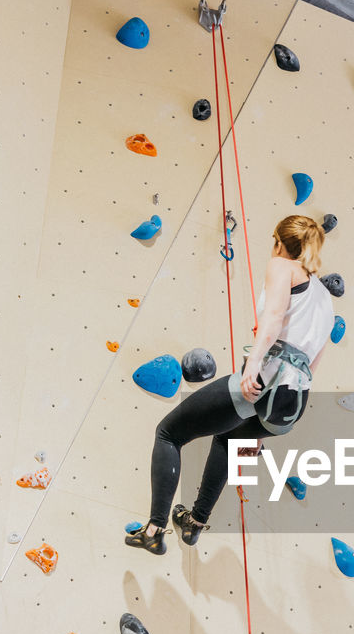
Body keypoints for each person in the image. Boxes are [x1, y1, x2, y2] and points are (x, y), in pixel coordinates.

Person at [126, 214, 334, 554]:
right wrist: (258, 425)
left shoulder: (283, 266)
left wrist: (253, 365)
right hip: (292, 406)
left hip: (267, 381)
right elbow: (313, 363)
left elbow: (273, 318)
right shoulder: (325, 298)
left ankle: (154, 528)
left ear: (279, 241)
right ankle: (193, 523)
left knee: (169, 433)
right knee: (228, 438)